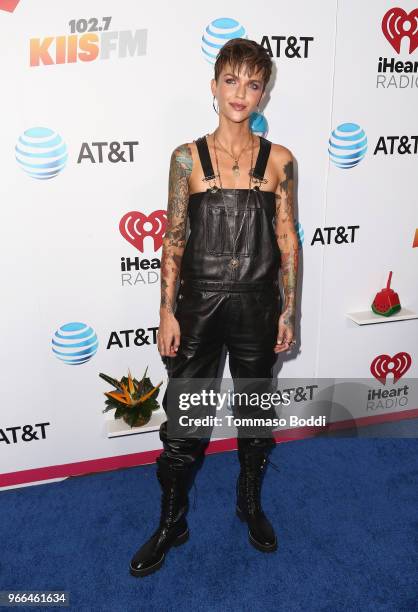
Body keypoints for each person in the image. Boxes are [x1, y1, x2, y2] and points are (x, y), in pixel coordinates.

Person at [130, 37, 299, 577]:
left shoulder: (280, 161)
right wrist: (166, 311)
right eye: (232, 80)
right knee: (185, 422)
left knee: (254, 419)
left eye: (253, 83)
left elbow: (288, 241)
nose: (241, 93)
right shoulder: (186, 158)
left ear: (263, 92)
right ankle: (171, 520)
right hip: (198, 306)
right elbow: (173, 239)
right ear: (214, 86)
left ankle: (249, 505)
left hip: (257, 308)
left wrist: (289, 312)